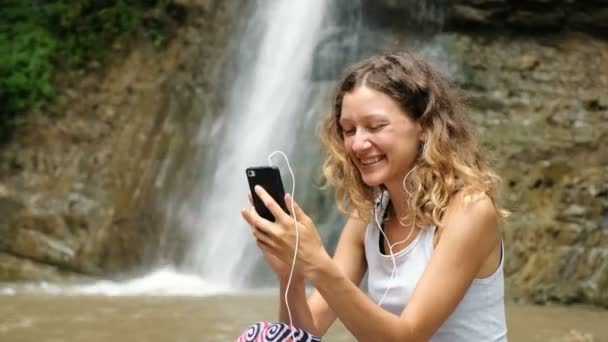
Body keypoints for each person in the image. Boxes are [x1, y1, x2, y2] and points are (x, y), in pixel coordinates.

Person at [238, 52, 508, 341]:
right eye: (348, 130)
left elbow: (408, 337)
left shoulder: (470, 210)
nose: (358, 144)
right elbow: (302, 335)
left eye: (376, 126)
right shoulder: (369, 215)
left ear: (424, 126)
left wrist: (317, 262)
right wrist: (291, 274)